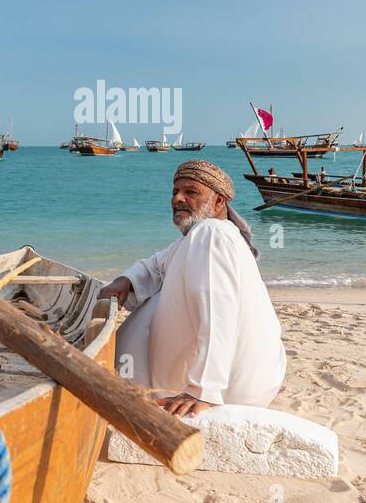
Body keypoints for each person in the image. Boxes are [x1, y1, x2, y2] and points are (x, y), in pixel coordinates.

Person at [99, 160, 286, 418]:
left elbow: (218, 311)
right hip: (251, 384)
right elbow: (155, 266)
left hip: (227, 390)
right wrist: (126, 282)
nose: (178, 198)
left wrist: (203, 389)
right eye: (174, 192)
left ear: (219, 202)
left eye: (191, 192)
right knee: (158, 289)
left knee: (159, 299)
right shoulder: (198, 237)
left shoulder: (211, 234)